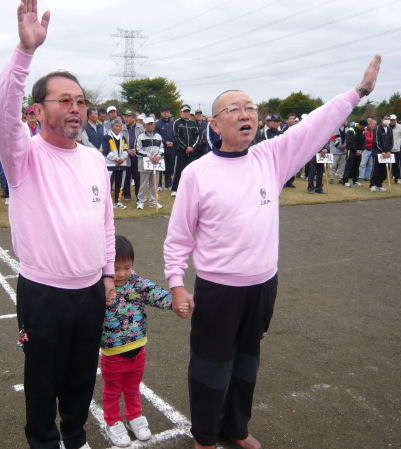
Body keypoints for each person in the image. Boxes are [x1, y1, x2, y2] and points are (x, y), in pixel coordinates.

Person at [163, 55, 382, 449]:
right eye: (234, 109)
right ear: (214, 124)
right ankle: (206, 436)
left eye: (251, 109)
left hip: (263, 285)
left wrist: (358, 93)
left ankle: (236, 427)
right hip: (218, 289)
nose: (245, 115)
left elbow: (314, 125)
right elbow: (178, 237)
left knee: (248, 359)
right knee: (211, 364)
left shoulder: (271, 158)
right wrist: (177, 284)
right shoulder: (197, 173)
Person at [0, 2, 116, 448]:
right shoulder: (23, 156)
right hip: (43, 292)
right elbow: (1, 111)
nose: (76, 108)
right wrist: (25, 53)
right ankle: (44, 441)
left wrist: (106, 274)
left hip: (90, 292)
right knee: (43, 379)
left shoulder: (95, 159)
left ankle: (75, 436)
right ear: (38, 111)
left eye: (81, 101)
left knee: (82, 374)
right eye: (64, 100)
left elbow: (105, 220)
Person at [100, 235, 174, 447]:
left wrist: (174, 301)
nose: (122, 274)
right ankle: (112, 421)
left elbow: (156, 294)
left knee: (133, 387)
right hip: (113, 353)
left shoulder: (137, 282)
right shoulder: (101, 287)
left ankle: (134, 417)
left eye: (127, 267)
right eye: (116, 268)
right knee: (112, 390)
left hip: (138, 349)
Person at [135, 116, 163, 209]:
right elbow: (137, 150)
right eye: (148, 124)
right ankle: (141, 202)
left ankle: (154, 201)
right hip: (144, 164)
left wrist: (158, 156)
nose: (150, 126)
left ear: (154, 125)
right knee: (143, 184)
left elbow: (162, 148)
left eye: (152, 124)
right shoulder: (140, 137)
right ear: (144, 126)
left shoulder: (158, 136)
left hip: (156, 163)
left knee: (154, 183)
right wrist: (148, 155)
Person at [171, 104, 199, 197]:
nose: (186, 113)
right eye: (184, 111)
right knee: (178, 170)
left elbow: (197, 136)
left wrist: (191, 147)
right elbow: (176, 136)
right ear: (181, 112)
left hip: (191, 151)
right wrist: (185, 147)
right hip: (181, 151)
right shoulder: (177, 123)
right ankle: (175, 189)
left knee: (191, 170)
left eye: (188, 111)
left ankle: (190, 188)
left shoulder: (193, 123)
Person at [104, 119, 128, 209]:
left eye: (120, 126)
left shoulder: (123, 137)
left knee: (120, 184)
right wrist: (117, 159)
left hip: (122, 165)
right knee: (108, 184)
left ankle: (117, 201)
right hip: (111, 165)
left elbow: (126, 149)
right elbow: (106, 152)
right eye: (116, 126)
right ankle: (107, 203)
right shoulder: (106, 137)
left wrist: (122, 159)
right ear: (112, 127)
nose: (118, 128)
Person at [122, 110, 143, 201]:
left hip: (137, 155)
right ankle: (126, 194)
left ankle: (139, 195)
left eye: (128, 117)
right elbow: (120, 142)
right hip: (126, 155)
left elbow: (143, 140)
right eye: (125, 116)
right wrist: (127, 150)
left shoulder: (141, 127)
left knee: (138, 176)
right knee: (126, 175)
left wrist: (136, 150)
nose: (126, 118)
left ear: (134, 118)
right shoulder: (121, 128)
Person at [154, 104, 175, 190]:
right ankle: (159, 185)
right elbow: (156, 135)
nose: (166, 114)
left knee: (169, 168)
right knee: (160, 167)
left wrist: (172, 142)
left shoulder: (172, 123)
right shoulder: (158, 123)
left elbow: (175, 135)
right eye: (164, 112)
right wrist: (165, 142)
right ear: (161, 113)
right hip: (161, 148)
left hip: (171, 148)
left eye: (168, 112)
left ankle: (168, 185)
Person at [370, 113, 392, 192]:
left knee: (385, 169)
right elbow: (376, 141)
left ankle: (379, 184)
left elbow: (391, 142)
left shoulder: (389, 129)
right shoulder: (377, 129)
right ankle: (373, 184)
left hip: (387, 153)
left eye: (388, 119)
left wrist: (389, 151)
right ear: (382, 119)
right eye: (386, 119)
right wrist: (382, 151)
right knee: (376, 169)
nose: (387, 120)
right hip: (378, 153)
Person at [342, 120, 367, 187]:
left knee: (356, 166)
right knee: (348, 166)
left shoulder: (363, 131)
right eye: (362, 127)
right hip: (351, 151)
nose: (363, 128)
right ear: (359, 125)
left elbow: (364, 141)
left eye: (364, 127)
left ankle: (355, 181)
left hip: (359, 152)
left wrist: (361, 150)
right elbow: (349, 142)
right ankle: (345, 181)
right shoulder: (351, 130)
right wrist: (355, 150)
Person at [388, 114, 401, 183]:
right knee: (385, 164)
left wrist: (400, 143)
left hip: (396, 149)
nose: (392, 121)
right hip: (387, 148)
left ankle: (397, 178)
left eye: (393, 120)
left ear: (396, 120)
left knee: (396, 165)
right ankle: (384, 177)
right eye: (391, 120)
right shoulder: (386, 127)